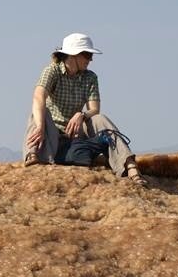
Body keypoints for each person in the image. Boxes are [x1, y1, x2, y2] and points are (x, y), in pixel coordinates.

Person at [22, 33, 147, 185]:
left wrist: (81, 115)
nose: (91, 60)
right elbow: (38, 96)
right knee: (38, 113)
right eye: (87, 55)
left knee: (101, 119)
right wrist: (41, 127)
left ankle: (130, 167)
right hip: (52, 133)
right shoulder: (52, 70)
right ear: (73, 54)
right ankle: (33, 155)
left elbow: (94, 109)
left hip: (75, 133)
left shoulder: (90, 77)